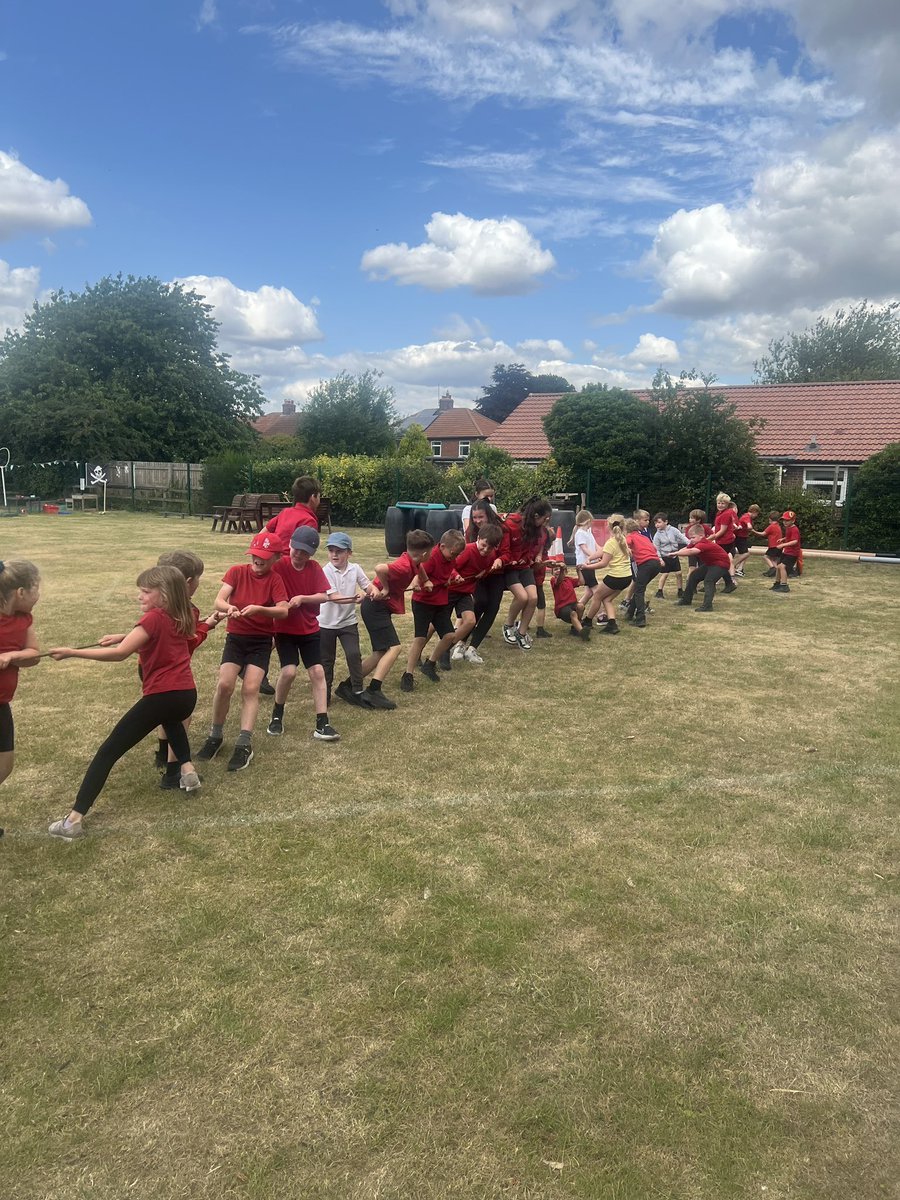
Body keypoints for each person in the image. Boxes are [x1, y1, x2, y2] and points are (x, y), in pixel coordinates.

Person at [48, 566, 202, 839]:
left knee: (107, 752)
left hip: (162, 695)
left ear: (163, 595)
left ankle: (73, 821)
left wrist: (73, 652)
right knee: (171, 720)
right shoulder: (182, 615)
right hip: (185, 694)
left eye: (145, 592)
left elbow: (120, 654)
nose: (139, 597)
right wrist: (124, 635)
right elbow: (156, 638)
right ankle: (187, 770)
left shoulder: (153, 618)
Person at [103, 549, 223, 790]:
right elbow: (186, 644)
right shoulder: (186, 610)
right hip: (167, 673)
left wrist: (123, 636)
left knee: (166, 717)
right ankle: (172, 772)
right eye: (198, 578)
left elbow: (155, 636)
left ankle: (162, 755)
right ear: (187, 582)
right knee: (178, 717)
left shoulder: (162, 609)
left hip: (146, 667)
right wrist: (207, 626)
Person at [197, 531, 290, 771]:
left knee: (250, 688)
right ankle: (215, 736)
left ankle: (244, 743)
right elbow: (219, 600)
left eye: (264, 557)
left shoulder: (275, 579)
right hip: (236, 638)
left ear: (276, 558)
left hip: (260, 641)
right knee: (225, 685)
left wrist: (260, 609)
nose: (258, 560)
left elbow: (283, 610)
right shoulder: (236, 571)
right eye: (255, 555)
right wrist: (230, 608)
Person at [268, 525, 341, 741]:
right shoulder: (279, 566)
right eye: (296, 550)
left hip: (309, 629)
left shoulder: (314, 568)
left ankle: (322, 723)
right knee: (289, 672)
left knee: (318, 672)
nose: (298, 555)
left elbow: (323, 596)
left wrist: (302, 598)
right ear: (289, 545)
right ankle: (277, 715)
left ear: (311, 554)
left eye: (304, 553)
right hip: (285, 630)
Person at [359, 529, 433, 709]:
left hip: (378, 608)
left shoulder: (412, 561)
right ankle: (373, 690)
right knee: (395, 647)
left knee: (381, 651)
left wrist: (425, 580)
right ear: (423, 554)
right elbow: (380, 568)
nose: (431, 554)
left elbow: (419, 568)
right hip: (375, 606)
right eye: (430, 552)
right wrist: (384, 587)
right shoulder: (403, 565)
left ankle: (350, 684)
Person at [0, 560, 41, 838]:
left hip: (2, 704)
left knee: (5, 763)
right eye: (37, 589)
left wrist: (13, 656)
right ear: (21, 592)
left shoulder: (23, 620)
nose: (39, 595)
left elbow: (34, 655)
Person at [400, 529, 466, 689]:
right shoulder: (431, 557)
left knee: (450, 635)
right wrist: (419, 583)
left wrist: (452, 577)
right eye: (453, 554)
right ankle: (408, 674)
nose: (455, 557)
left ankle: (429, 664)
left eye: (457, 555)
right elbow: (418, 571)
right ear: (442, 546)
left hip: (440, 601)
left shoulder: (451, 558)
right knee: (420, 638)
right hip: (423, 602)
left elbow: (450, 570)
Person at [319, 531, 372, 708]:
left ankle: (357, 689)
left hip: (348, 622)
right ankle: (324, 693)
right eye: (331, 550)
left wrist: (373, 591)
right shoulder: (325, 571)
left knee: (354, 654)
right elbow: (334, 596)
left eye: (339, 551)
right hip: (326, 624)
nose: (334, 554)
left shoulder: (355, 568)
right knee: (327, 660)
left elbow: (367, 585)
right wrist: (355, 598)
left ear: (349, 553)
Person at [500, 495, 553, 650]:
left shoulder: (536, 529)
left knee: (533, 598)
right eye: (546, 518)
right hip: (510, 568)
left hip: (524, 567)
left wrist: (534, 558)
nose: (546, 522)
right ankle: (508, 625)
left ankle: (521, 633)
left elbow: (534, 548)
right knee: (522, 597)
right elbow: (504, 549)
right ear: (536, 516)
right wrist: (512, 560)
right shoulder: (511, 524)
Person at [448, 521, 503, 664]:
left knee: (470, 620)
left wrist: (483, 573)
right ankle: (450, 647)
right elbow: (451, 567)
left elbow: (484, 568)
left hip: (465, 593)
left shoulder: (490, 557)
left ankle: (452, 647)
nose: (485, 550)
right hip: (451, 590)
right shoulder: (468, 550)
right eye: (483, 545)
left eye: (489, 548)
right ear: (478, 538)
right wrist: (455, 576)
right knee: (438, 624)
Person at [463, 500, 507, 662]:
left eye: (480, 516)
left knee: (492, 607)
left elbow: (507, 552)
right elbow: (466, 555)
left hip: (496, 573)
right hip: (477, 575)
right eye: (474, 517)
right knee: (479, 602)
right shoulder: (471, 532)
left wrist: (501, 559)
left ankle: (473, 648)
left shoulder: (501, 530)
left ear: (488, 515)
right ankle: (461, 642)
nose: (477, 520)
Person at [583, 514, 632, 634]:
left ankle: (587, 621)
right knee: (607, 599)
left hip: (616, 576)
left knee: (597, 597)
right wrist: (591, 557)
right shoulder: (622, 539)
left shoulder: (612, 542)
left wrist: (587, 566)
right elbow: (602, 552)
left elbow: (603, 563)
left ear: (608, 527)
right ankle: (612, 624)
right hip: (627, 577)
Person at [671, 524, 736, 611]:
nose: (691, 540)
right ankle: (686, 600)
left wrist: (675, 554)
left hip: (721, 564)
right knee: (693, 576)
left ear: (701, 536)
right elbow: (687, 548)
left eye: (693, 537)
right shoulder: (695, 543)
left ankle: (707, 606)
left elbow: (691, 551)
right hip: (711, 563)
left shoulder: (703, 543)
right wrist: (675, 553)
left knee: (709, 580)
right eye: (690, 538)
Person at [624, 518, 664, 627]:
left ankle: (640, 619)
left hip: (645, 564)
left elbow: (625, 544)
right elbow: (654, 549)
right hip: (656, 564)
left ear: (625, 530)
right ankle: (629, 613)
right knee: (639, 588)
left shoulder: (630, 536)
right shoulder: (644, 537)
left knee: (639, 591)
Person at [652, 513, 689, 599]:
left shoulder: (673, 530)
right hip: (665, 557)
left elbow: (682, 537)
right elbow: (656, 548)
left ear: (666, 522)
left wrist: (691, 543)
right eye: (655, 523)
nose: (656, 525)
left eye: (659, 522)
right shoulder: (657, 535)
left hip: (674, 556)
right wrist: (660, 559)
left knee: (679, 573)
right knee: (665, 574)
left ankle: (680, 591)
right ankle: (659, 592)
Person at [550, 563, 589, 639]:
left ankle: (575, 628)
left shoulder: (568, 580)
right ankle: (582, 632)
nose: (558, 571)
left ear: (566, 572)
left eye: (560, 569)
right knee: (573, 613)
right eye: (555, 569)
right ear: (552, 573)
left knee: (580, 606)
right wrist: (562, 569)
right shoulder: (553, 580)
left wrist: (578, 571)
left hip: (573, 604)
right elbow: (559, 581)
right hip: (562, 608)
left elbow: (582, 582)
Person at [571, 509, 600, 610]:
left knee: (589, 592)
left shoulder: (588, 532)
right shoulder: (580, 533)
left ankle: (576, 609)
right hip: (584, 565)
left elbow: (596, 545)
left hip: (590, 564)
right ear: (588, 521)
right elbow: (584, 549)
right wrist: (595, 556)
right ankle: (602, 613)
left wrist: (602, 553)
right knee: (597, 591)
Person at [773, 510, 801, 593]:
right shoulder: (788, 528)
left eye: (787, 520)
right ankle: (777, 583)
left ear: (793, 521)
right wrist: (783, 539)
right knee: (778, 566)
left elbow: (795, 541)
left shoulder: (795, 529)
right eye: (784, 520)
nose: (785, 522)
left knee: (782, 566)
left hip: (792, 553)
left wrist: (783, 545)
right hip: (787, 551)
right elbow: (789, 537)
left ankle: (784, 585)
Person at [752, 510, 784, 577]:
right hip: (780, 546)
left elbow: (763, 534)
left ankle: (772, 569)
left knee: (766, 557)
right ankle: (777, 572)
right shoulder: (778, 526)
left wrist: (753, 531)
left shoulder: (771, 526)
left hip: (773, 546)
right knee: (774, 560)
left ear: (770, 518)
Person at [732, 504, 760, 577]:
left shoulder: (746, 516)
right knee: (746, 554)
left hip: (742, 537)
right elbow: (749, 526)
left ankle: (740, 569)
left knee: (744, 554)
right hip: (740, 537)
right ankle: (732, 565)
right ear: (754, 512)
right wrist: (752, 530)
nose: (756, 516)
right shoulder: (747, 517)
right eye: (756, 514)